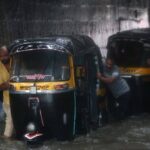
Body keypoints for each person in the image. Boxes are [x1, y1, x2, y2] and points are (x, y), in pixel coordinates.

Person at [0, 45, 13, 138]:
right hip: (7, 99)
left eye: (6, 55)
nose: (4, 58)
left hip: (20, 96)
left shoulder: (16, 61)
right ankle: (6, 139)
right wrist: (8, 84)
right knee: (10, 119)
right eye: (2, 56)